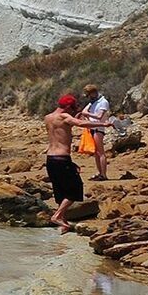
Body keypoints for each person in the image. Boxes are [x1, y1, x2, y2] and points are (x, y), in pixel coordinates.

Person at [44, 94, 115, 232]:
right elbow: (81, 124)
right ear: (68, 107)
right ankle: (57, 216)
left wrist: (75, 117)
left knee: (60, 190)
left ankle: (63, 223)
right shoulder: (64, 117)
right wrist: (103, 124)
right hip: (62, 158)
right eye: (72, 108)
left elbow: (62, 129)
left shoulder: (48, 117)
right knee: (75, 190)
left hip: (50, 159)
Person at [78, 84, 112, 180]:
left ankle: (104, 174)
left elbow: (99, 116)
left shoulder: (103, 102)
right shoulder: (93, 102)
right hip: (92, 128)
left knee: (100, 152)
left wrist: (87, 114)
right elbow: (84, 111)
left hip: (98, 128)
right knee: (96, 152)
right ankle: (99, 172)